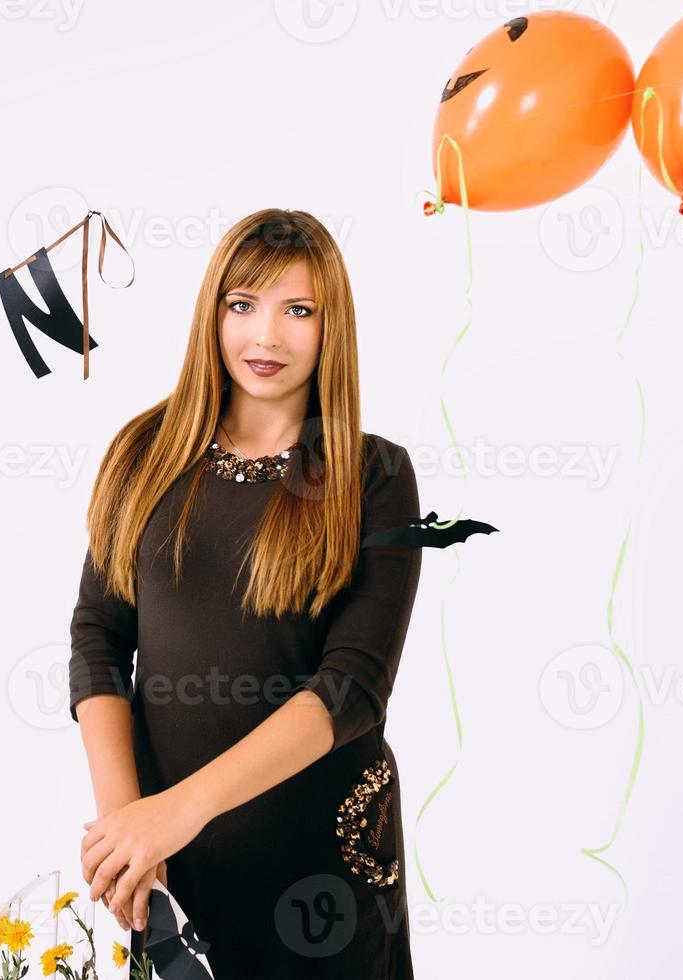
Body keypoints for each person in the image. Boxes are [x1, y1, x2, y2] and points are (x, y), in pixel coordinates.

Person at [68, 208, 423, 976]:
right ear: (213, 314)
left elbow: (352, 687)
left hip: (319, 872)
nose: (267, 337)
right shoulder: (144, 455)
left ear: (332, 329)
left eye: (299, 310)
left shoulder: (375, 476)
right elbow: (97, 637)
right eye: (244, 305)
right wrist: (128, 823)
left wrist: (179, 809)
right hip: (173, 868)